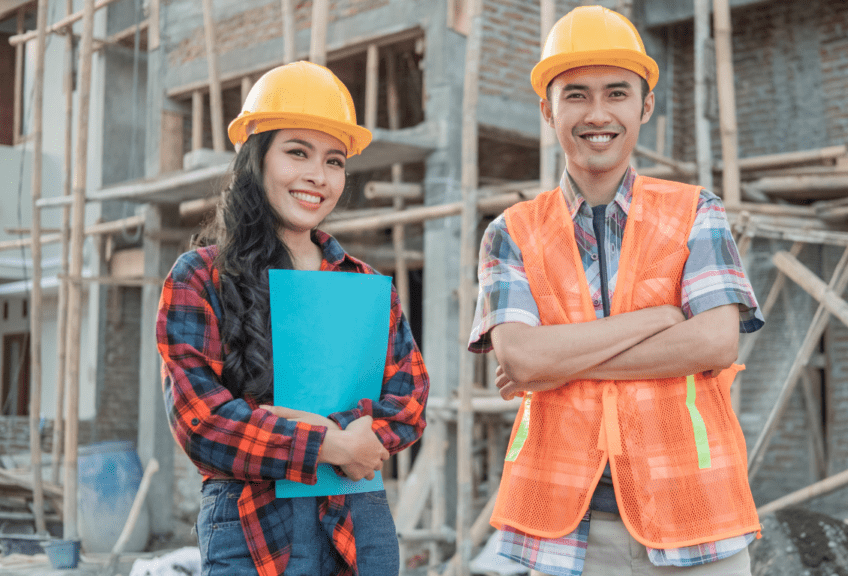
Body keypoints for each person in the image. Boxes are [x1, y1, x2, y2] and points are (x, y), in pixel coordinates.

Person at [468, 6, 764, 576]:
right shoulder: (510, 233)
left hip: (696, 515)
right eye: (575, 94)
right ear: (546, 109)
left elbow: (715, 343)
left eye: (617, 93)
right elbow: (524, 360)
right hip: (566, 530)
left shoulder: (696, 211)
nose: (597, 114)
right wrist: (660, 315)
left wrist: (560, 361)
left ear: (645, 105)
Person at [157, 61, 429, 576]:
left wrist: (317, 430)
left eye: (334, 160)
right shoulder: (200, 277)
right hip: (254, 528)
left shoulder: (362, 282)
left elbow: (410, 398)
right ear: (255, 160)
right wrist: (334, 443)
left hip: (357, 522)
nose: (317, 177)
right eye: (297, 152)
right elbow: (201, 419)